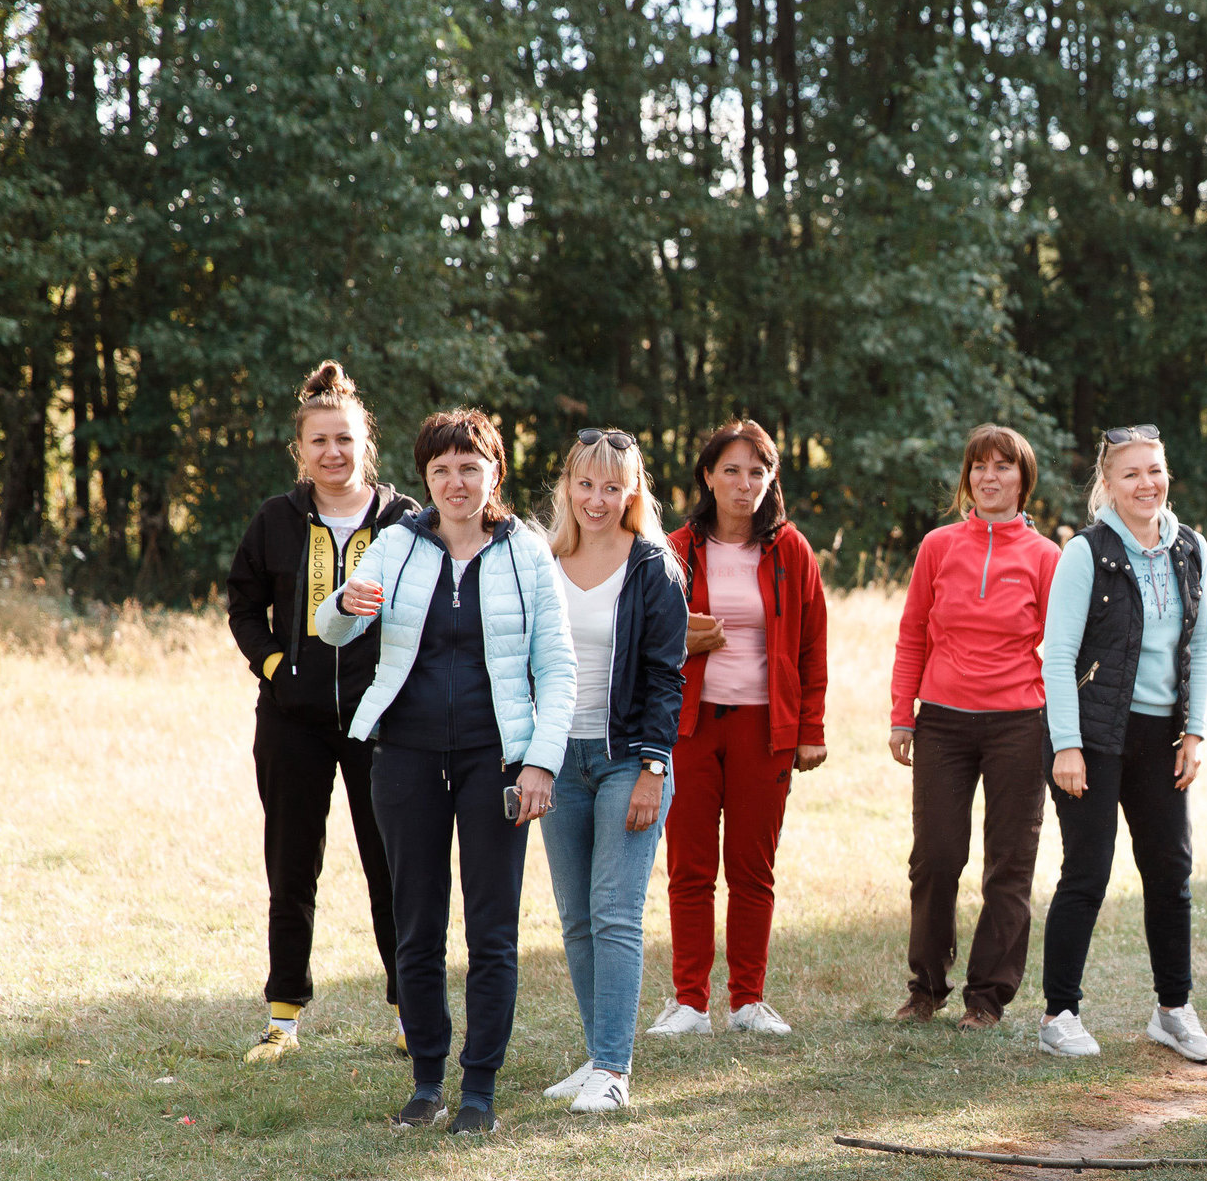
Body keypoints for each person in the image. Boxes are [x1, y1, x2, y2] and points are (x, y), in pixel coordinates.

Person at [317, 409, 576, 1135]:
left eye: (469, 467)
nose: (456, 482)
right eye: (441, 470)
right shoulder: (397, 544)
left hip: (498, 763)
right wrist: (342, 603)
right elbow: (333, 627)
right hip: (404, 757)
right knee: (416, 926)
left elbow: (559, 669)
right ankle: (427, 1080)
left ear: (494, 472)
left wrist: (540, 764)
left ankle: (479, 1090)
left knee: (492, 933)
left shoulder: (527, 553)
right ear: (426, 478)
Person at [225, 361, 416, 1063]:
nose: (333, 452)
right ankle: (283, 1019)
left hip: (382, 725)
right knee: (291, 867)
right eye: (319, 441)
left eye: (345, 438)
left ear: (366, 442)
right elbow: (244, 606)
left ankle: (411, 1012)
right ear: (300, 449)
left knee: (393, 869)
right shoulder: (274, 520)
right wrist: (278, 669)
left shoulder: (405, 522)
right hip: (291, 723)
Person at [1036, 426, 1207, 1062]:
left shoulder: (1191, 548)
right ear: (1108, 484)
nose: (1147, 484)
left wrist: (1194, 731)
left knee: (1171, 872)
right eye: (1132, 473)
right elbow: (1057, 656)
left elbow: (1201, 647)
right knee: (1087, 871)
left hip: (1161, 736)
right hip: (1091, 734)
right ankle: (1059, 1014)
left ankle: (1173, 1010)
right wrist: (1066, 745)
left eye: (1155, 470)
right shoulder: (1085, 553)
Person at [653, 421, 829, 1038]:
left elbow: (812, 646)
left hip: (765, 729)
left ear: (771, 479)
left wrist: (810, 727)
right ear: (707, 476)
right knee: (690, 869)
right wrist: (686, 640)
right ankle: (690, 1003)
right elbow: (644, 638)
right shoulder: (675, 549)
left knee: (753, 871)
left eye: (757, 472)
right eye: (730, 470)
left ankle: (748, 1001)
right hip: (690, 728)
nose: (743, 483)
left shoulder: (791, 550)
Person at [536, 430, 689, 1115]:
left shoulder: (653, 566)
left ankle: (614, 1070)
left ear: (631, 494)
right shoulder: (543, 560)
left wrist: (654, 767)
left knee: (615, 912)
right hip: (557, 759)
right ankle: (597, 1053)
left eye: (611, 486)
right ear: (568, 486)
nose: (596, 499)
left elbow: (666, 676)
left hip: (629, 757)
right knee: (576, 918)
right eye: (585, 484)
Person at [889, 425, 1060, 1030]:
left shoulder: (1046, 557)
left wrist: (1063, 732)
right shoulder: (937, 546)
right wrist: (901, 715)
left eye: (1003, 467)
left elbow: (1062, 651)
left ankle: (986, 997)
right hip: (942, 722)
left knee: (1009, 865)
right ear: (967, 478)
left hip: (1019, 725)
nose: (990, 477)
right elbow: (913, 632)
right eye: (979, 466)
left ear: (1023, 480)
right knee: (935, 857)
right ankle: (926, 988)